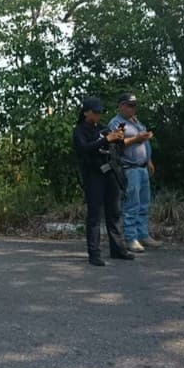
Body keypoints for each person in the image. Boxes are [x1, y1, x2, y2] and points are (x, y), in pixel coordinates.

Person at [73, 97, 135, 266]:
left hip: (110, 172)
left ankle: (117, 249)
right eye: (95, 112)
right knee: (94, 215)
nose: (98, 115)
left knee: (114, 212)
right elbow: (84, 148)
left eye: (100, 112)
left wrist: (118, 138)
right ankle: (94, 253)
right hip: (93, 175)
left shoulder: (103, 128)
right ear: (86, 112)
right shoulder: (80, 130)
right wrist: (105, 140)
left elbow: (116, 147)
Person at [108, 93, 163, 253]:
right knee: (131, 204)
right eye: (129, 105)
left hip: (142, 167)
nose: (133, 108)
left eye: (134, 106)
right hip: (129, 168)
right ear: (121, 106)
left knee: (143, 204)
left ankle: (143, 235)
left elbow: (144, 143)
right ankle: (131, 238)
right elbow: (116, 144)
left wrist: (149, 160)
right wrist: (136, 139)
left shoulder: (137, 122)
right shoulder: (116, 123)